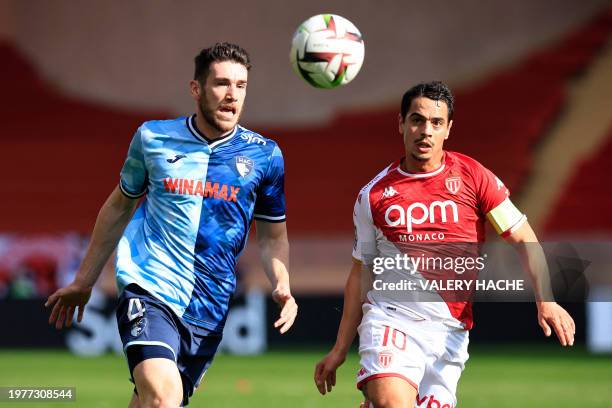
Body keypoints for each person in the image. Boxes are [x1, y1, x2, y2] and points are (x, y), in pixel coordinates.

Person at [45, 42, 298, 408]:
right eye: (221, 83)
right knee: (163, 398)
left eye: (241, 85)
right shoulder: (153, 138)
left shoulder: (265, 156)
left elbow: (273, 236)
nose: (232, 95)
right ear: (196, 89)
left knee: (155, 401)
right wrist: (85, 280)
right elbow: (119, 206)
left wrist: (283, 284)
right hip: (149, 285)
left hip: (210, 304)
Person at [314, 81, 574, 408]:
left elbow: (524, 239)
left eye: (436, 123)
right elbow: (360, 274)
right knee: (393, 403)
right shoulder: (374, 195)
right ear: (401, 124)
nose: (426, 131)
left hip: (450, 333)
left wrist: (545, 299)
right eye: (417, 120)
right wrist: (339, 349)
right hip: (392, 318)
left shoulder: (475, 177)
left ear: (448, 129)